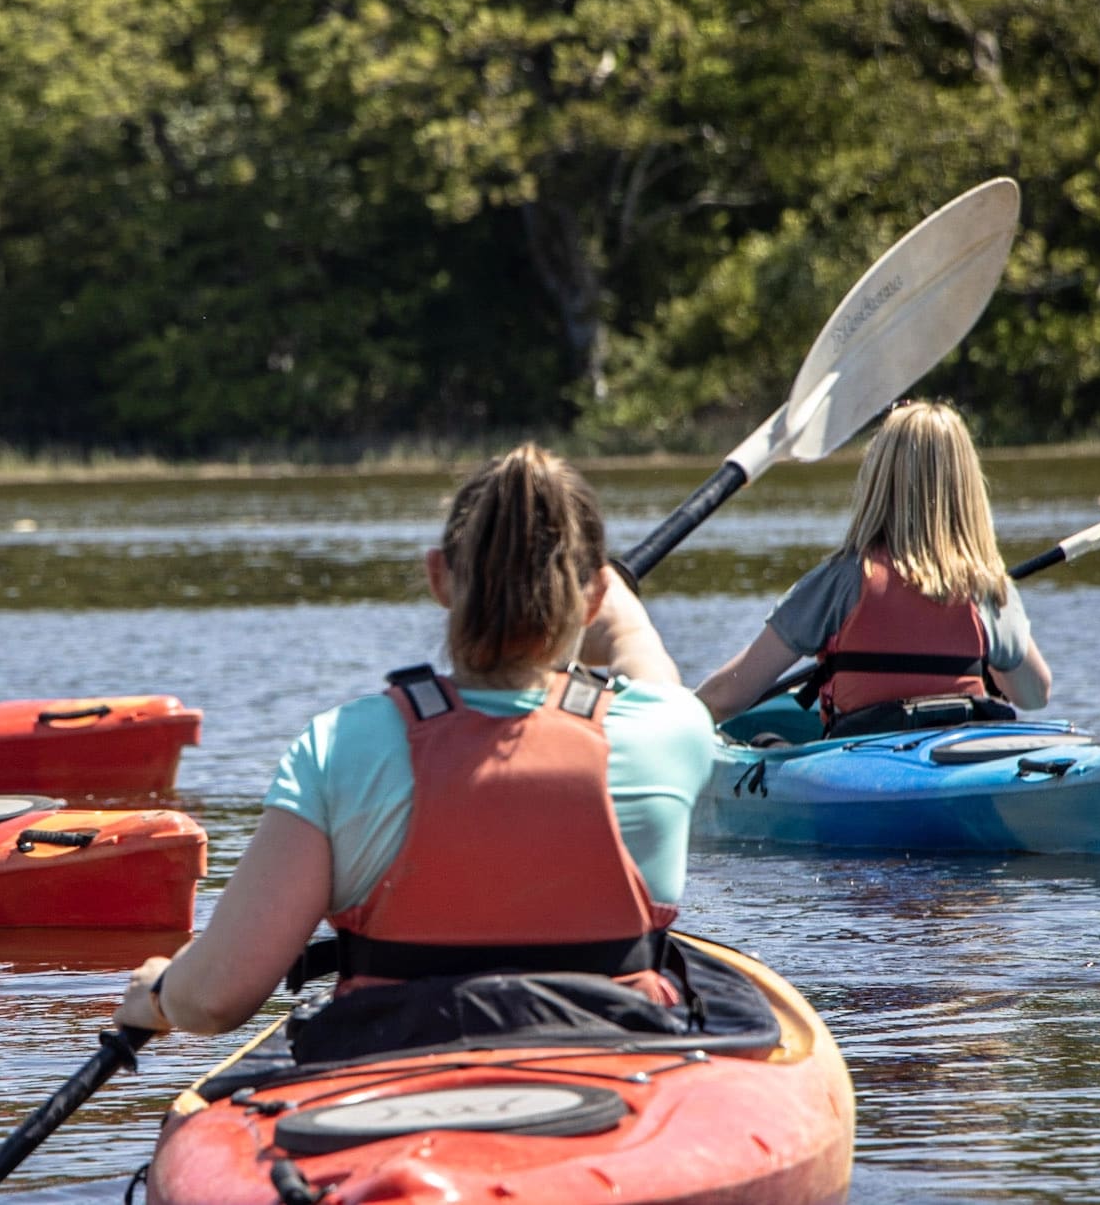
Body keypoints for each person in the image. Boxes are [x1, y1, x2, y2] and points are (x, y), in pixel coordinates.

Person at [115, 444, 715, 1042]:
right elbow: (644, 663)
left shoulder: (339, 747)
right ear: (594, 596)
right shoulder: (670, 730)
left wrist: (161, 994)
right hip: (617, 1071)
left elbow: (217, 997)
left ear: (439, 577)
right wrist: (612, 609)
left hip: (395, 1083)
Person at [694, 400, 1052, 732]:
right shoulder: (987, 587)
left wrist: (671, 714)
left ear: (877, 480)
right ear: (967, 487)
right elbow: (1034, 696)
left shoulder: (841, 580)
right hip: (953, 759)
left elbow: (727, 697)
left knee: (765, 740)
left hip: (857, 762)